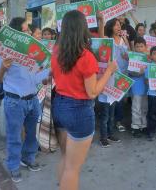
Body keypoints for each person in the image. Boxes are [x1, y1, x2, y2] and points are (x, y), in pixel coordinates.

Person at [51, 10, 117, 190]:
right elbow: (93, 92)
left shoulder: (56, 51)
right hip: (79, 112)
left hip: (60, 106)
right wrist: (109, 71)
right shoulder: (85, 56)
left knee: (65, 159)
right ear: (83, 28)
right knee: (73, 169)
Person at [0, 17, 50, 183]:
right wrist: (3, 68)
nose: (30, 33)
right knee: (14, 136)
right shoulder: (3, 51)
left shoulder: (34, 51)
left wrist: (46, 76)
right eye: (26, 31)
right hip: (15, 101)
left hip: (33, 99)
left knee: (32, 134)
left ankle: (28, 158)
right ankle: (13, 166)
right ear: (17, 34)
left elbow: (36, 77)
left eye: (29, 31)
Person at [105, 18, 130, 132]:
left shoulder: (124, 39)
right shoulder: (108, 39)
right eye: (115, 25)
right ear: (110, 27)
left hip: (123, 72)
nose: (118, 27)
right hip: (111, 73)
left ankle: (118, 121)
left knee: (120, 99)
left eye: (119, 25)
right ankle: (109, 122)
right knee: (111, 98)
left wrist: (127, 53)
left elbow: (130, 55)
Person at [129, 37, 148, 137]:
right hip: (136, 87)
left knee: (144, 107)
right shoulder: (132, 58)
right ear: (134, 47)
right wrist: (138, 73)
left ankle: (143, 125)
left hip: (146, 87)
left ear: (145, 47)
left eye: (141, 46)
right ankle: (135, 126)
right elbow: (130, 72)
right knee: (136, 107)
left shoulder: (148, 58)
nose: (139, 48)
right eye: (137, 46)